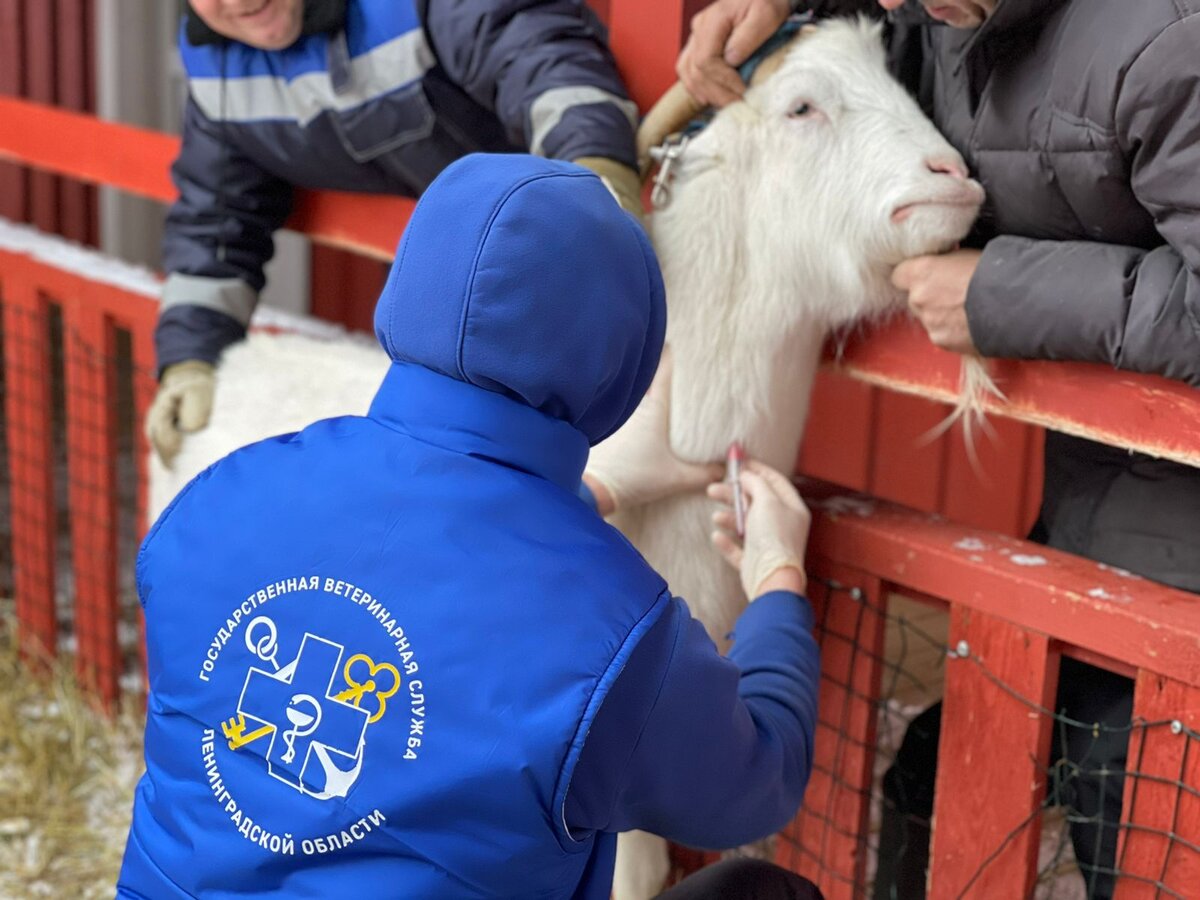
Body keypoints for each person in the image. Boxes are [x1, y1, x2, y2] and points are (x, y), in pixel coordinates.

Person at [119, 153, 825, 899]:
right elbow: (758, 780)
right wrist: (779, 580)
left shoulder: (221, 493)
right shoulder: (613, 634)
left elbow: (426, 561)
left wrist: (593, 492)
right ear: (621, 362)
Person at [678, 0, 1200, 897]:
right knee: (935, 773)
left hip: (1176, 551)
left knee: (1139, 823)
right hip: (1094, 507)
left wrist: (998, 291)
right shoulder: (939, 16)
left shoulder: (1171, 41)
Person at [146, 0, 646, 467]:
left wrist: (594, 173)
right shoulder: (216, 65)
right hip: (468, 311)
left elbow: (534, 52)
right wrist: (190, 359)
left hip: (564, 261)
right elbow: (216, 218)